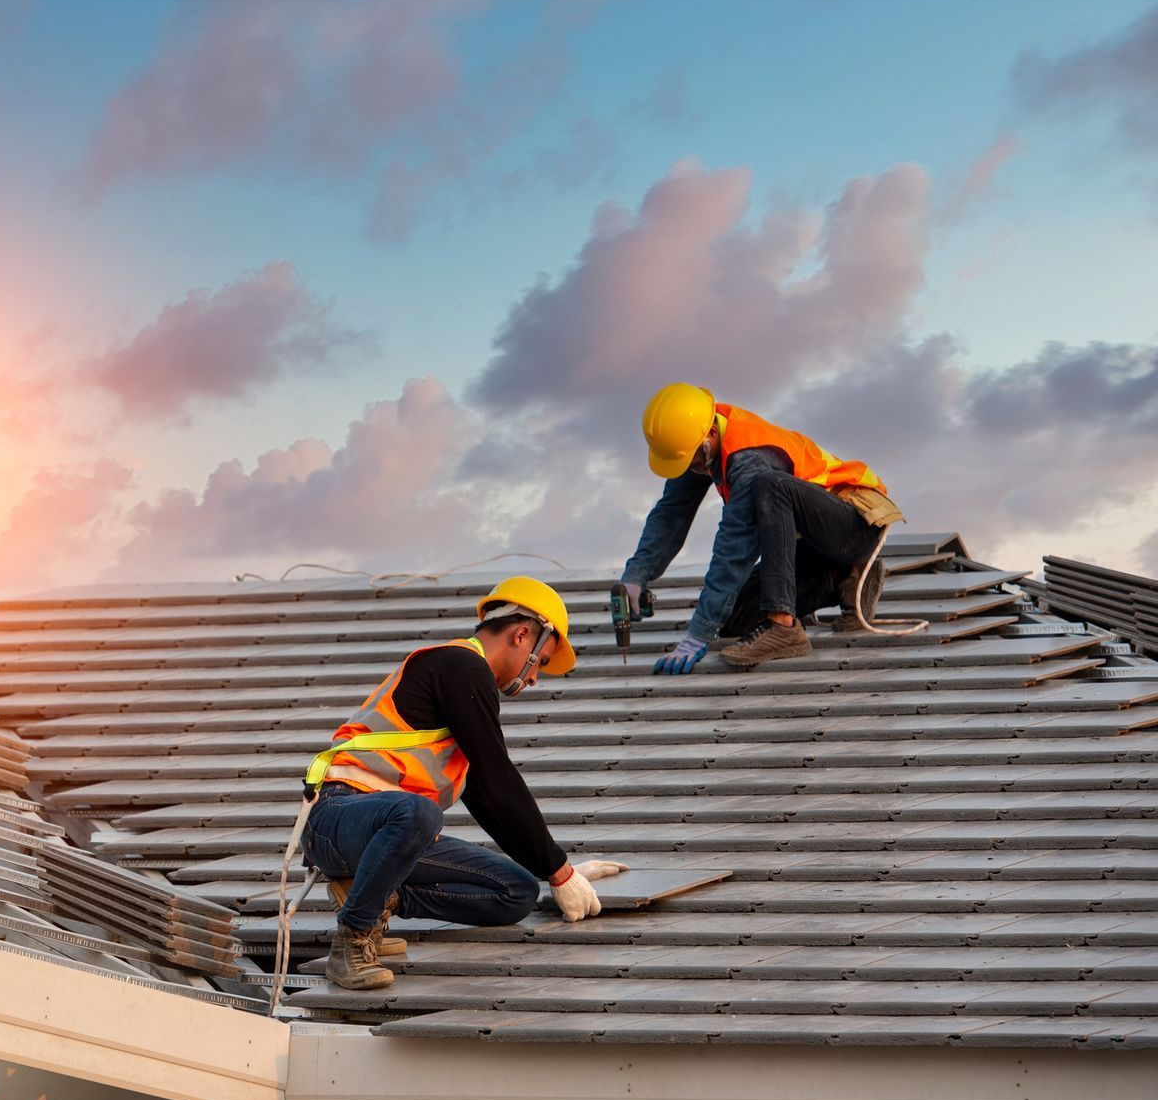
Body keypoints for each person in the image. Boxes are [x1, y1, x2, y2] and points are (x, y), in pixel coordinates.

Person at [302, 577, 629, 990]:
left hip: (388, 837)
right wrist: (559, 870)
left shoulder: (463, 691)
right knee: (420, 812)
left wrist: (548, 873)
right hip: (336, 820)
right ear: (522, 634)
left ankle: (376, 896)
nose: (534, 680)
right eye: (540, 662)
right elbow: (498, 775)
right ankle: (353, 940)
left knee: (517, 892)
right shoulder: (460, 666)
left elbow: (492, 802)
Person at [616, 382, 904, 673]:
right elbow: (671, 514)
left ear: (710, 435)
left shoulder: (749, 460)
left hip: (855, 522)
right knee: (732, 618)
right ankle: (844, 578)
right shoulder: (698, 445)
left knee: (770, 486)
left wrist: (698, 633)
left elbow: (735, 548)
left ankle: (783, 626)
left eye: (691, 460)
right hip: (819, 546)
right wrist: (637, 574)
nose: (690, 468)